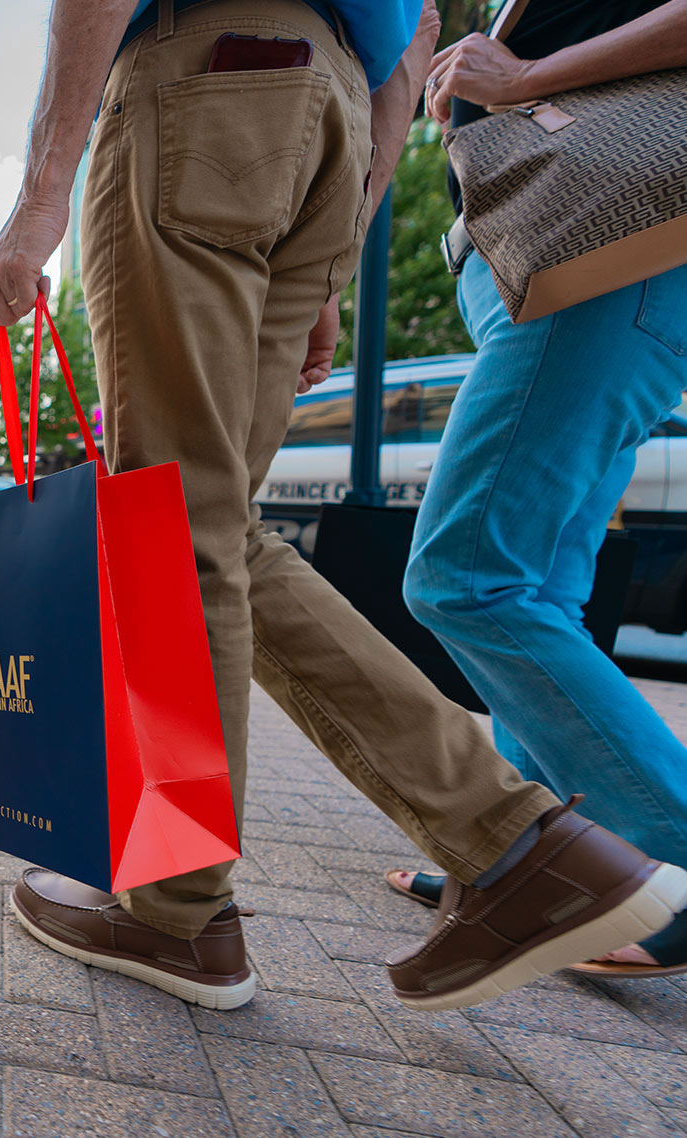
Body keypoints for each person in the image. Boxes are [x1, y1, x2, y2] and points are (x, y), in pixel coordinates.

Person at [0, 0, 687, 1012]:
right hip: (336, 121)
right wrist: (330, 259)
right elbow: (412, 36)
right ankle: (504, 846)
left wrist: (41, 194)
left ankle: (188, 905)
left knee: (169, 529)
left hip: (204, 80)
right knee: (213, 529)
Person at [384, 1, 687, 979]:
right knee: (528, 588)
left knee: (467, 577)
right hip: (538, 253)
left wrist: (515, 80)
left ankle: (665, 864)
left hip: (598, 253)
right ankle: (530, 858)